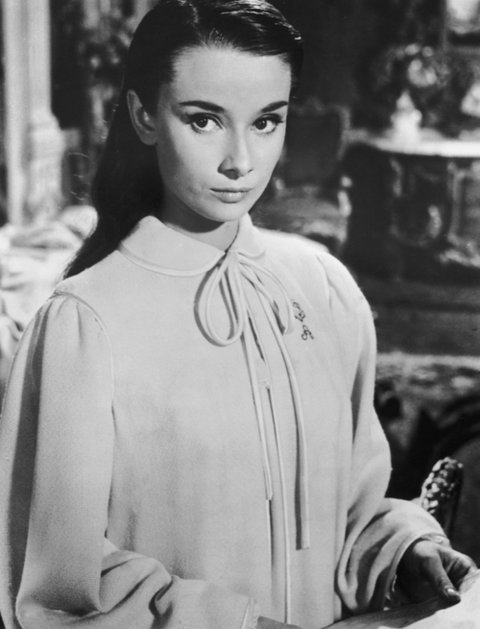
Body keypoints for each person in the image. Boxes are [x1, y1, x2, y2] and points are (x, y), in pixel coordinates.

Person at [0, 1, 476, 628]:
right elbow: (59, 589)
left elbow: (353, 503)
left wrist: (402, 550)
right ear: (144, 116)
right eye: (204, 120)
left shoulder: (325, 287)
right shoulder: (84, 323)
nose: (240, 161)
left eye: (266, 121)